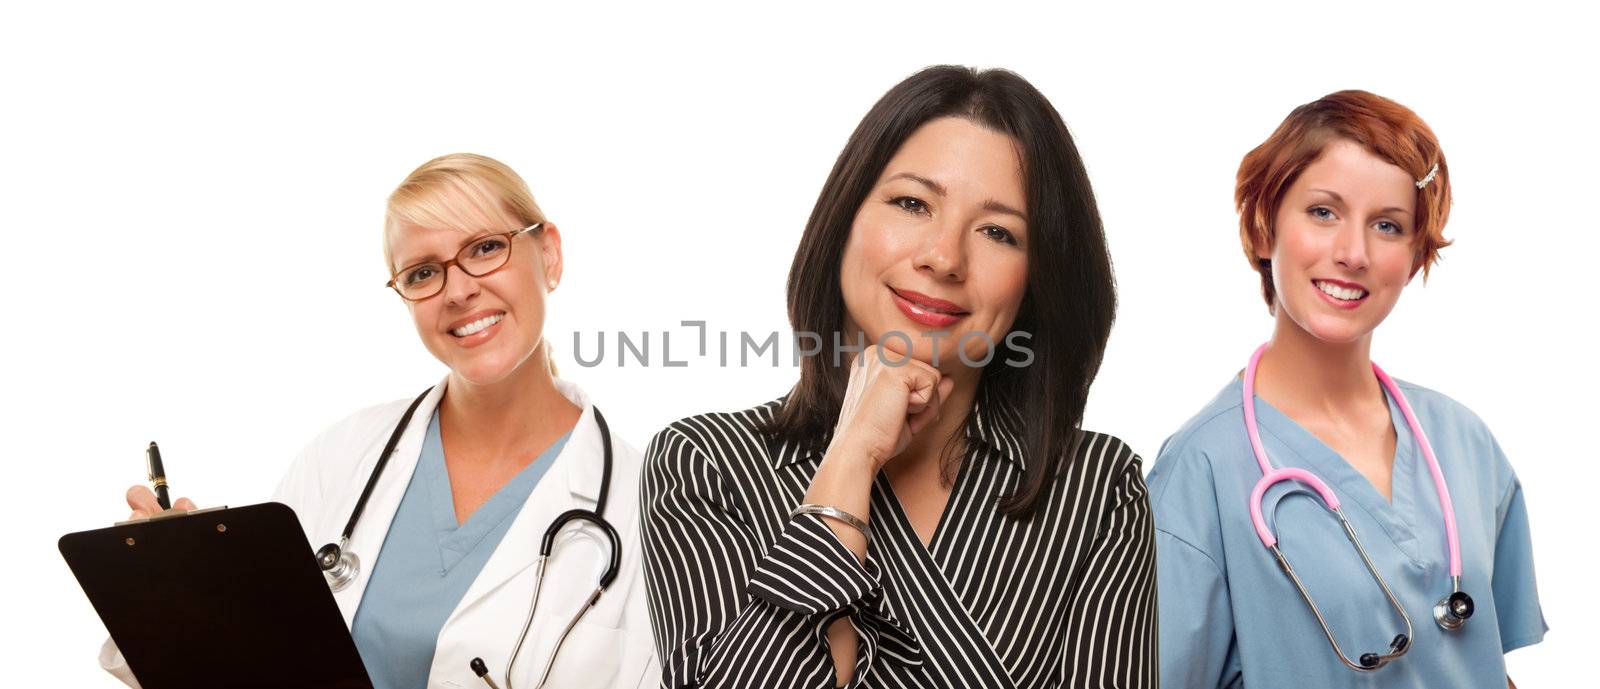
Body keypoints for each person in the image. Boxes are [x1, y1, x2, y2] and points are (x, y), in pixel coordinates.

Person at [640, 66, 1157, 689]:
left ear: (1037, 280)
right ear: (846, 221)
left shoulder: (1096, 490)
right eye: (912, 204)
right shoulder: (705, 464)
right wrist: (852, 458)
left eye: (999, 232)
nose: (943, 257)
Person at [106, 153, 657, 689]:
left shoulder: (647, 510)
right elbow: (249, 665)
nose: (460, 289)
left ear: (550, 254)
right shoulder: (343, 456)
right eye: (423, 273)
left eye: (486, 248)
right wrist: (170, 593)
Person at [1147, 91, 1546, 688]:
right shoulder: (1199, 471)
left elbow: (1482, 662)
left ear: (1413, 258)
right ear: (1262, 228)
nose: (1353, 253)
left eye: (1387, 226)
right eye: (1323, 212)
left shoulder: (1464, 442)